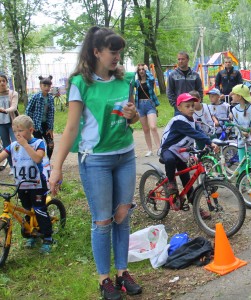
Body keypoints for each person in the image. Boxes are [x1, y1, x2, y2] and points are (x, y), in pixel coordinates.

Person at [48, 26, 142, 300]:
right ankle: (104, 280)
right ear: (96, 52)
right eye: (112, 52)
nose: (117, 57)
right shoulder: (80, 83)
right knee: (102, 221)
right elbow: (70, 130)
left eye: (119, 52)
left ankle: (122, 273)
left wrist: (132, 115)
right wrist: (56, 167)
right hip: (96, 161)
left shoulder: (125, 81)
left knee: (122, 217)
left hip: (125, 156)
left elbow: (131, 121)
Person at [0, 115, 53, 253]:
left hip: (36, 184)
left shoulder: (38, 143)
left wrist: (25, 145)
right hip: (21, 185)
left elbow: (37, 158)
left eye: (20, 131)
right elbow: (2, 156)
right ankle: (32, 234)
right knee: (27, 210)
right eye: (15, 131)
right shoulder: (13, 146)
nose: (17, 134)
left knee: (39, 210)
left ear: (30, 130)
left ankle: (48, 237)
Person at [159, 93, 218, 213]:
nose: (191, 108)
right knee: (170, 160)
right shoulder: (179, 120)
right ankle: (171, 183)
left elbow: (200, 132)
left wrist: (209, 142)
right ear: (179, 108)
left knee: (187, 183)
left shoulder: (193, 121)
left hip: (181, 152)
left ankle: (197, 209)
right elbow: (194, 134)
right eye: (187, 106)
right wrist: (210, 143)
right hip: (168, 149)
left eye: (192, 105)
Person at [26, 76, 55, 160]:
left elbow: (51, 114)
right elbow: (28, 111)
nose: (46, 88)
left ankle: (47, 161)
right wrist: (31, 125)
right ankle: (40, 162)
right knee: (39, 144)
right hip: (36, 125)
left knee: (50, 144)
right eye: (44, 85)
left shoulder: (50, 98)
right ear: (40, 86)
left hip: (46, 125)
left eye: (48, 86)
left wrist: (50, 128)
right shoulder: (36, 97)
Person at [134, 64, 160, 157]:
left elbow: (152, 78)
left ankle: (159, 148)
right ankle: (149, 150)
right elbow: (130, 82)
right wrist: (134, 71)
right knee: (145, 129)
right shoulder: (137, 82)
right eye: (139, 70)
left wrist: (147, 69)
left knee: (153, 127)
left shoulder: (149, 81)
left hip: (149, 105)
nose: (141, 71)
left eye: (142, 69)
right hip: (140, 106)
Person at [167, 51, 203, 116]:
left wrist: (198, 103)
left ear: (187, 60)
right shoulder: (172, 75)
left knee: (194, 125)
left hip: (192, 108)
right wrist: (175, 105)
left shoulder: (195, 75)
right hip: (179, 109)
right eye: (179, 59)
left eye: (182, 59)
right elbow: (169, 91)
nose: (180, 61)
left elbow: (200, 90)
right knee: (180, 125)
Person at [0, 73, 17, 170]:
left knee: (15, 143)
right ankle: (12, 167)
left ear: (6, 82)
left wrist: (5, 110)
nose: (2, 83)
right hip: (1, 124)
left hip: (12, 122)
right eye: (0, 81)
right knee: (6, 145)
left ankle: (18, 164)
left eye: (3, 81)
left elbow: (14, 107)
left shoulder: (13, 93)